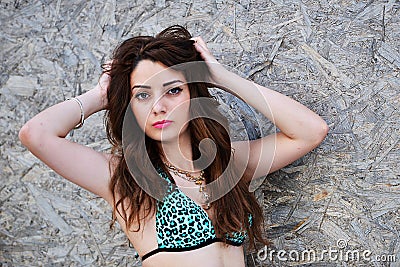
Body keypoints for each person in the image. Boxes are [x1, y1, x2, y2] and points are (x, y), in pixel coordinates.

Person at [19, 25, 328, 267]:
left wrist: (220, 77)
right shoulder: (123, 178)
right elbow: (36, 134)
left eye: (174, 90)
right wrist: (102, 96)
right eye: (142, 95)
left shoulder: (228, 163)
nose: (158, 106)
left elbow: (310, 131)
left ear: (193, 94)